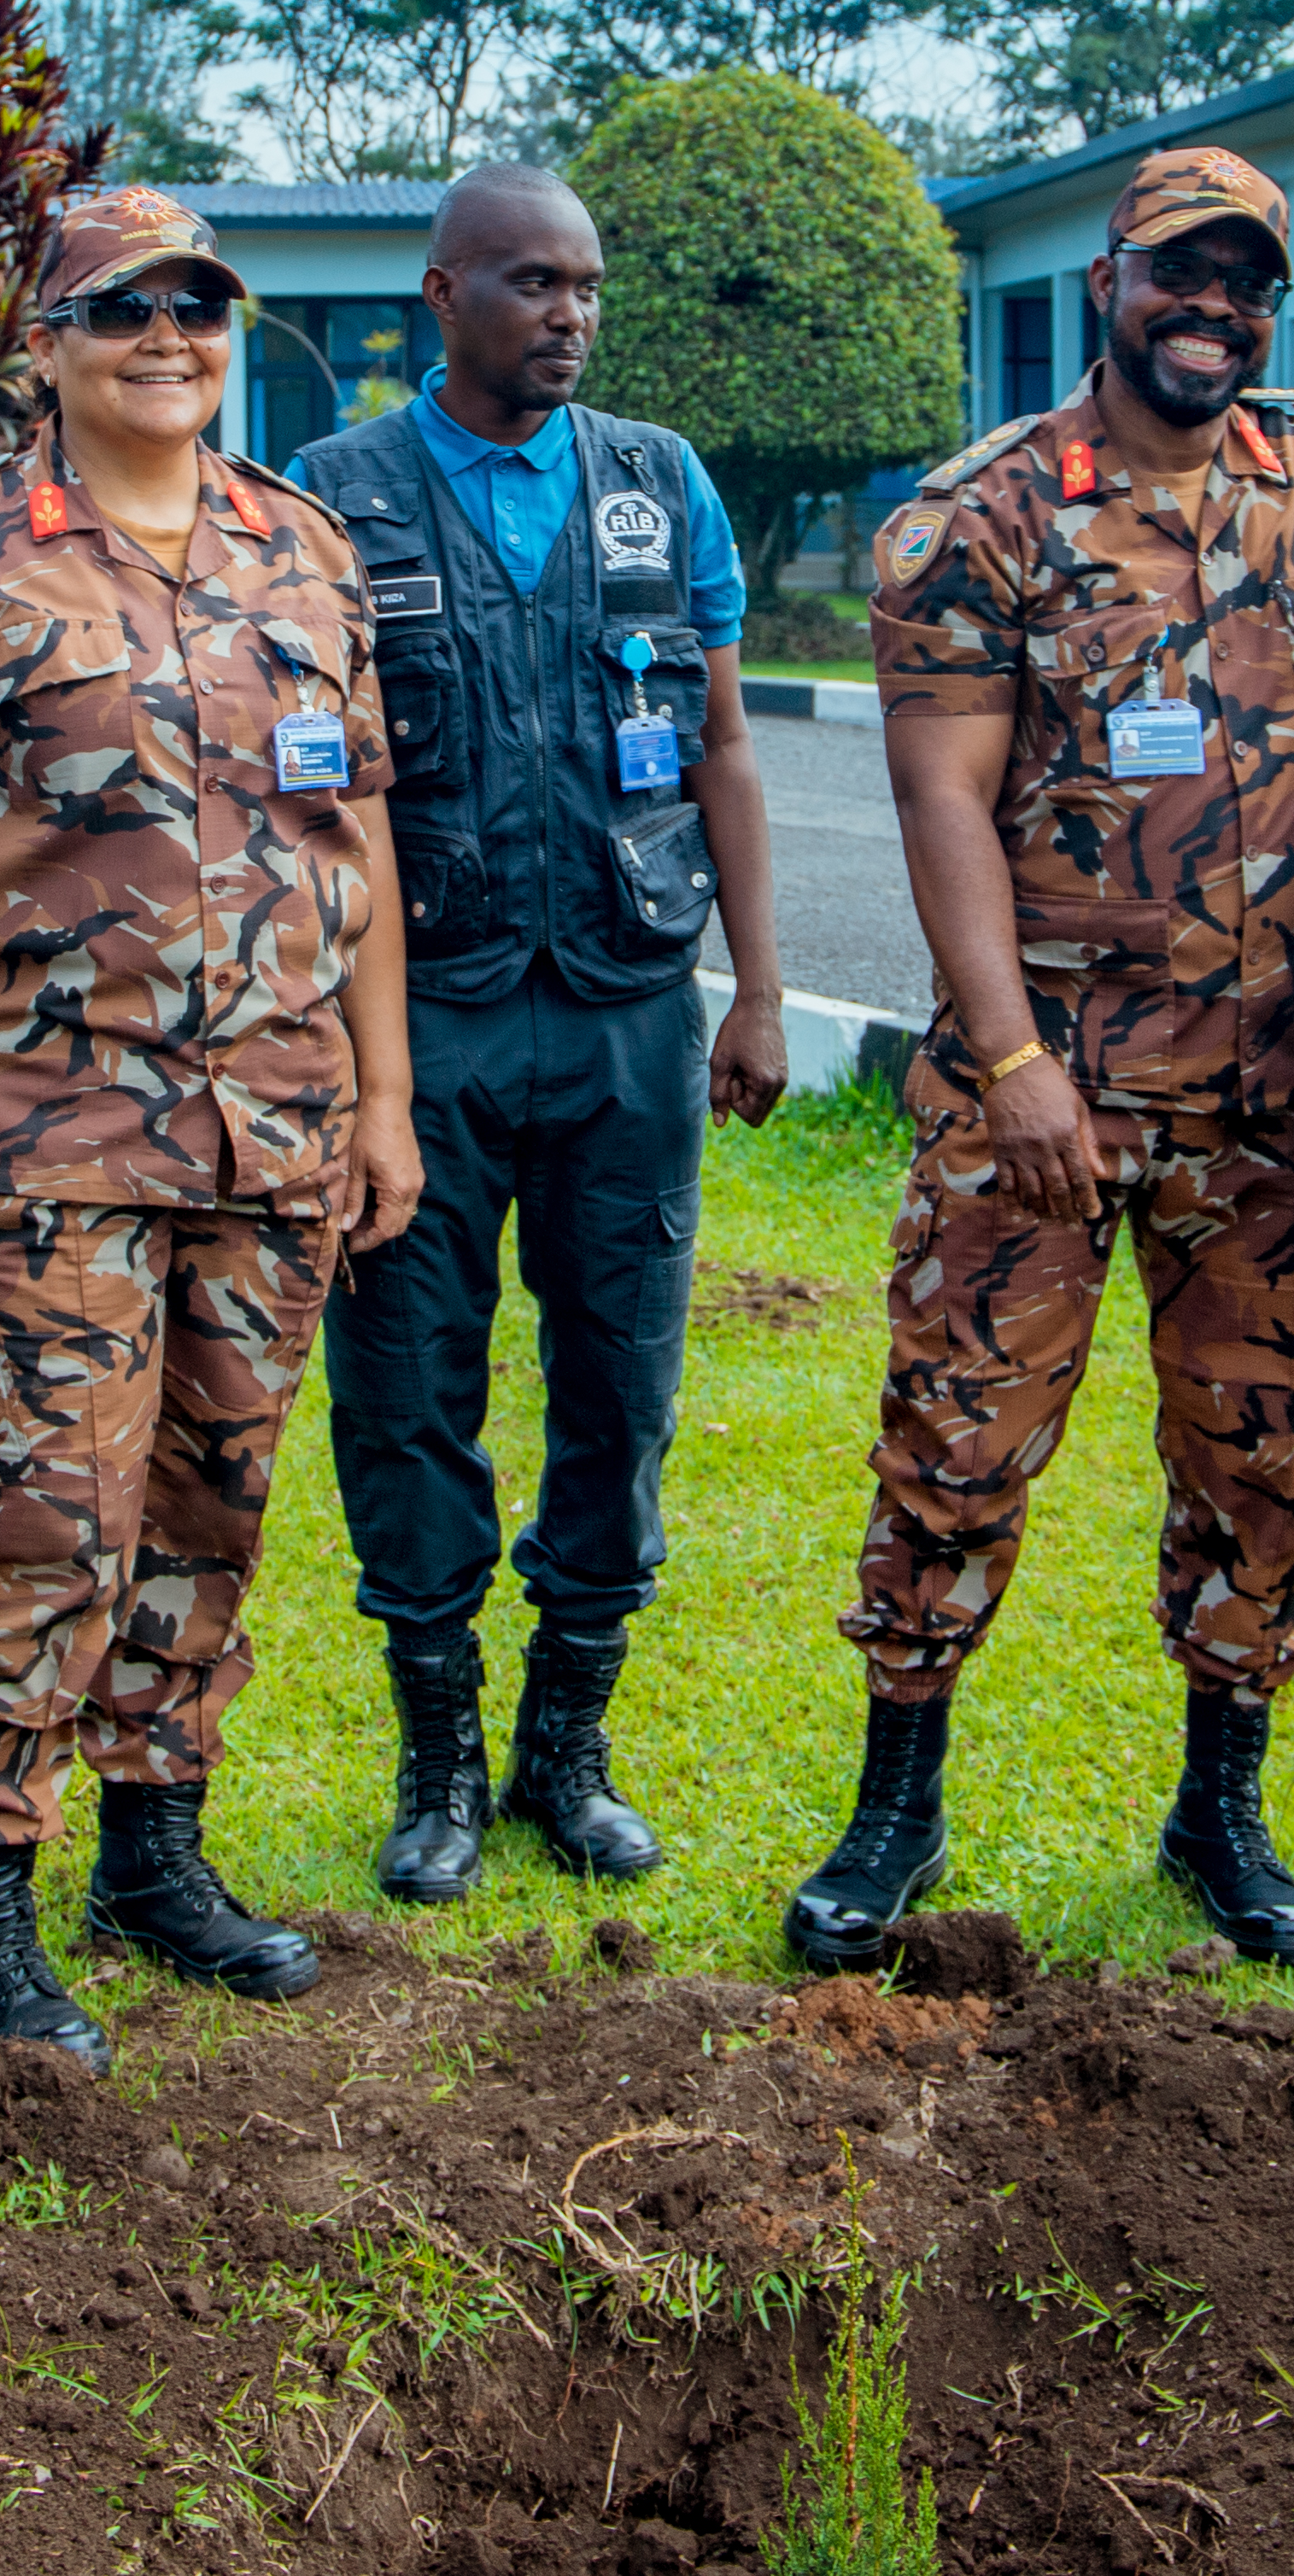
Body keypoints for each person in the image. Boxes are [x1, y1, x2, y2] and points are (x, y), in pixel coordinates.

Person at [0, 187, 421, 2069]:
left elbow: (361, 838)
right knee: (46, 1515)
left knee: (212, 1499)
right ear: (46, 341)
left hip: (277, 1128)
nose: (167, 338)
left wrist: (387, 1096)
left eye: (197, 308)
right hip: (37, 1133)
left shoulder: (306, 549)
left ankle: (155, 1855)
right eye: (121, 312)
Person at [785, 146, 1294, 1979]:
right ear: (1110, 281)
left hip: (1275, 1102)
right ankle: (898, 1803)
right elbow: (939, 796)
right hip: (1041, 1098)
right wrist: (1013, 1054)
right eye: (1178, 274)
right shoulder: (983, 516)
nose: (1213, 309)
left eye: (1246, 283)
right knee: (958, 1437)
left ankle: (1223, 1807)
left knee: (1256, 1454)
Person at [290, 161, 789, 1904]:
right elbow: (312, 792)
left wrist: (761, 993)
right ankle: (438, 1754)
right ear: (442, 296)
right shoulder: (331, 499)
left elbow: (722, 743)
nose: (568, 313)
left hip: (631, 1016)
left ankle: (567, 1749)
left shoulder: (661, 483)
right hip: (418, 1025)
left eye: (585, 283)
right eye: (529, 283)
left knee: (622, 1379)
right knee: (408, 1391)